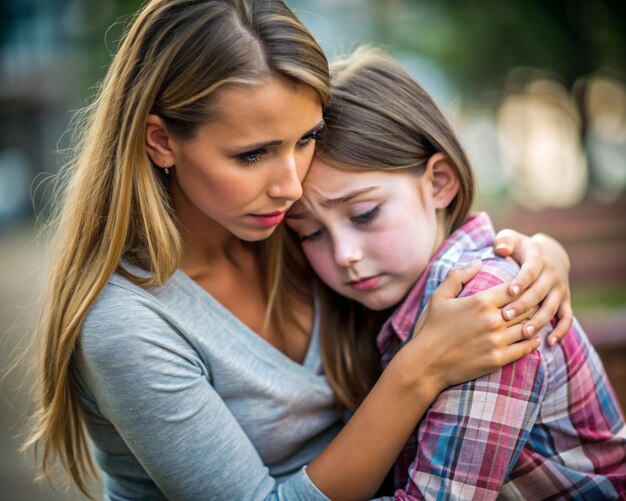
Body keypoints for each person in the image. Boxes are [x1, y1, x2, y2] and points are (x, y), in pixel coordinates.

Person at [24, 1, 574, 500]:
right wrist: (418, 370)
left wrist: (541, 254)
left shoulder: (299, 232)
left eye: (305, 138)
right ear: (161, 142)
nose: (291, 185)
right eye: (252, 154)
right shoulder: (128, 324)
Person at [285, 47, 626, 499]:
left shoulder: (487, 304)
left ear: (439, 182)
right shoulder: (379, 304)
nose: (344, 254)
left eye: (364, 214)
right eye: (310, 233)